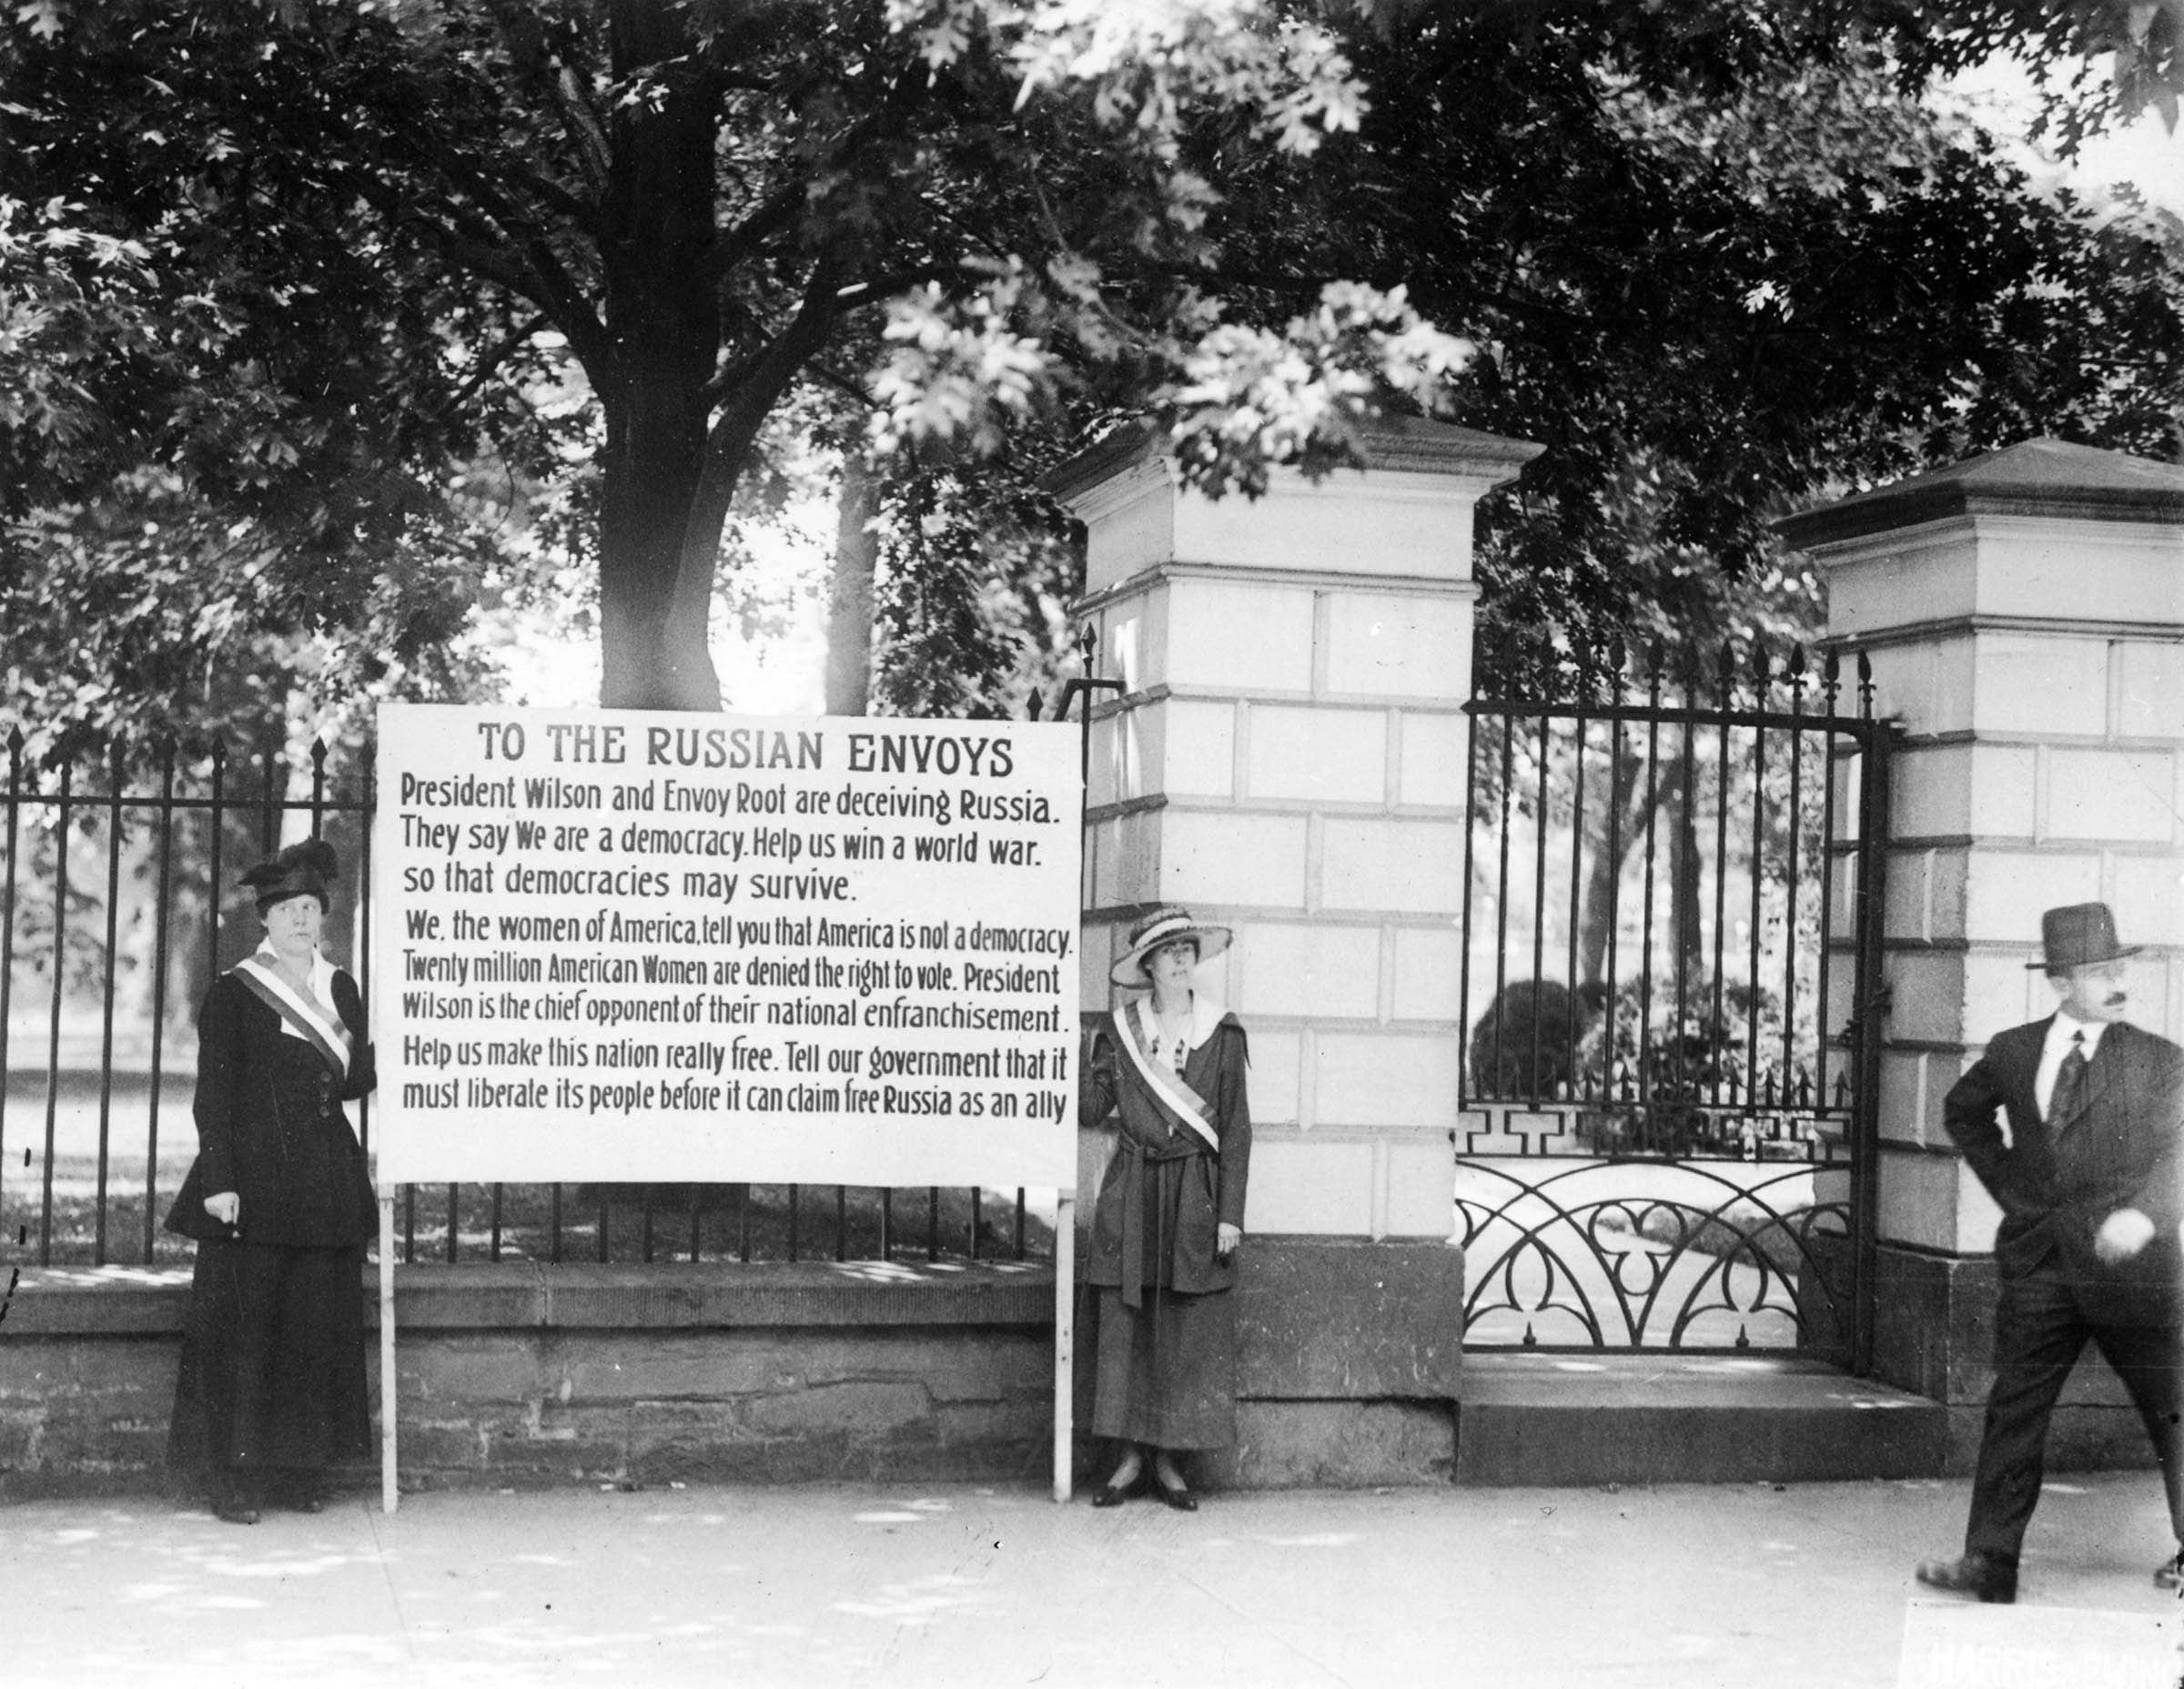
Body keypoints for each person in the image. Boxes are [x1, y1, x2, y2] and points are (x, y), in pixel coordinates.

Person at [1916, 902, 2183, 1603]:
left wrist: (2147, 1216)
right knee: (2015, 1409)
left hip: (2135, 1269)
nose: (2118, 980)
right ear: (2062, 983)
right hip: (2041, 1263)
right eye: (2100, 971)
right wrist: (2014, 1192)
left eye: (2120, 967)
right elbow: (1962, 1113)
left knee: (2174, 1404)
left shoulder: (2159, 1062)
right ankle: (1990, 1561)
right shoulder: (2012, 1050)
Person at [167, 839, 379, 1523]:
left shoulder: (340, 986)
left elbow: (353, 1080)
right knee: (247, 1328)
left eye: (311, 908)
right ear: (265, 919)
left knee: (313, 1326)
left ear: (323, 916)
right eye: (287, 909)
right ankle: (233, 1477)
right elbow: (214, 1095)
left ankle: (297, 1471)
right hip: (252, 1182)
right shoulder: (235, 990)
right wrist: (219, 1180)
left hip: (323, 1180)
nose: (300, 920)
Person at [1079, 905, 1251, 1511]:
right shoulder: (1121, 1030)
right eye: (1170, 951)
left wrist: (1229, 1215)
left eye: (1188, 949)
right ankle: (1128, 1458)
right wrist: (1080, 1048)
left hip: (1192, 1197)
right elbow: (1091, 1108)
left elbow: (1234, 1130)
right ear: (1148, 965)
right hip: (1133, 1190)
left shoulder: (1221, 1032)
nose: (1183, 959)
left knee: (1182, 1324)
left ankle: (1170, 1460)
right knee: (1127, 1321)